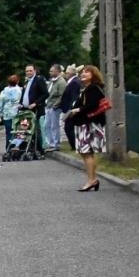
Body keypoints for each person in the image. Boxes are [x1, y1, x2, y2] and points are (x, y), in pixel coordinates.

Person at [65, 64, 110, 192]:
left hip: (88, 124)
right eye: (82, 72)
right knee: (86, 153)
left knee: (87, 152)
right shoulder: (87, 88)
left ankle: (92, 180)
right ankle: (92, 179)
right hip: (85, 123)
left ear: (93, 75)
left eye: (87, 72)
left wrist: (77, 109)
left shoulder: (93, 89)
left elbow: (92, 106)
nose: (83, 74)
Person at [21, 63, 48, 158]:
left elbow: (45, 94)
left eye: (30, 71)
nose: (28, 72)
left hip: (36, 109)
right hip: (26, 110)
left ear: (34, 71)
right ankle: (30, 148)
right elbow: (25, 94)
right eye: (27, 71)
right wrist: (21, 103)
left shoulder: (38, 80)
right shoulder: (27, 82)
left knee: (37, 130)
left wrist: (35, 103)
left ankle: (40, 149)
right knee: (27, 130)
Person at [0, 75, 22, 159]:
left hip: (7, 113)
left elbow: (0, 102)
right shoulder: (19, 90)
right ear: (17, 82)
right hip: (17, 113)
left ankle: (9, 148)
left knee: (9, 131)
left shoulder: (4, 91)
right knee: (18, 131)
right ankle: (17, 147)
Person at [44, 64, 68, 153]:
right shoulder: (52, 81)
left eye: (52, 71)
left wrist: (56, 104)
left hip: (55, 107)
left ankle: (55, 144)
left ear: (57, 71)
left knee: (54, 126)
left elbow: (62, 95)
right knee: (47, 125)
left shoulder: (61, 82)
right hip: (48, 105)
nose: (50, 72)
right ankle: (50, 143)